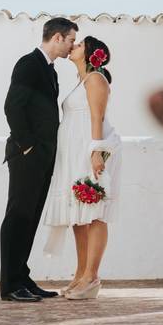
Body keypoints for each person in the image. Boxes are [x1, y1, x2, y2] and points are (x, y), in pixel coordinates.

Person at [0, 17, 77, 302]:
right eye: (70, 40)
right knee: (17, 218)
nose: (72, 47)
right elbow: (12, 107)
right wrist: (28, 146)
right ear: (57, 37)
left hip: (44, 157)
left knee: (30, 219)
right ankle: (9, 285)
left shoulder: (51, 71)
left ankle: (22, 277)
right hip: (26, 156)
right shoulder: (28, 64)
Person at [42, 35, 122, 300]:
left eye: (79, 44)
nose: (73, 46)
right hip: (74, 155)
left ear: (90, 54)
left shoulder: (96, 79)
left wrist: (96, 152)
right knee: (78, 215)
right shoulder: (80, 81)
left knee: (96, 211)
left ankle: (92, 275)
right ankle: (80, 273)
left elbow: (97, 117)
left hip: (91, 152)